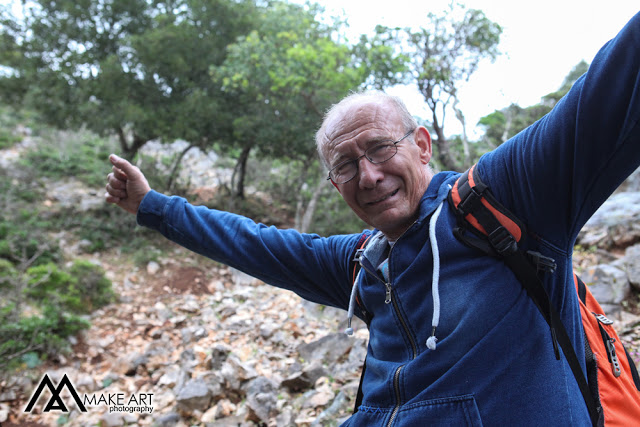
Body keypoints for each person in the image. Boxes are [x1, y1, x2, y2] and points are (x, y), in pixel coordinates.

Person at [106, 12, 640, 426]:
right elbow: (254, 242)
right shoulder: (361, 263)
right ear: (335, 183)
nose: (368, 175)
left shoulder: (507, 197)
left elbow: (609, 90)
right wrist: (151, 206)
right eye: (345, 165)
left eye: (381, 148)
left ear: (423, 145)